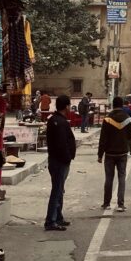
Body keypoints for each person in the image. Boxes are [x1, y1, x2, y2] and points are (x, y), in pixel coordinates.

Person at [44, 95, 76, 231]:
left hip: (56, 160)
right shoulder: (60, 122)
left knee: (59, 190)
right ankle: (50, 220)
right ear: (66, 106)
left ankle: (58, 217)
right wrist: (67, 157)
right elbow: (62, 144)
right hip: (59, 162)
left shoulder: (55, 120)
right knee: (57, 190)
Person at [98, 97, 131, 212]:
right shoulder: (127, 119)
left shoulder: (107, 119)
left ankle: (106, 203)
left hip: (109, 153)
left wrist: (100, 154)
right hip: (122, 152)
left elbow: (103, 138)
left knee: (109, 178)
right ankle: (120, 204)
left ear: (113, 105)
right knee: (122, 177)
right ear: (122, 105)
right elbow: (130, 135)